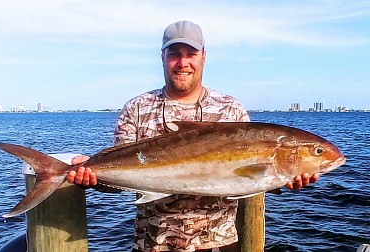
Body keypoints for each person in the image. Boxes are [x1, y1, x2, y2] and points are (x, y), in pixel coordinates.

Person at [67, 21, 319, 252]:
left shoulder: (231, 109)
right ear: (163, 57)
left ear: (204, 57)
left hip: (219, 244)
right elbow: (121, 175)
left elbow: (250, 178)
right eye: (175, 54)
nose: (183, 62)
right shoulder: (138, 108)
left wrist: (282, 179)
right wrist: (91, 176)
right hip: (153, 244)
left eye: (191, 54)